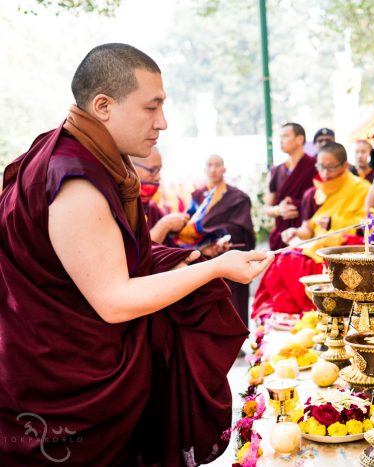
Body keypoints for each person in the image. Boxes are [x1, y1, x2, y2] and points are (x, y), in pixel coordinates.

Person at [0, 43, 273, 466]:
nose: (162, 122)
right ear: (103, 105)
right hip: (63, 386)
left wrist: (175, 258)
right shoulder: (75, 178)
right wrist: (216, 268)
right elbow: (113, 301)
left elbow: (105, 258)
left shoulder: (80, 155)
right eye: (152, 107)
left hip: (57, 358)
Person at [252, 142, 369, 320]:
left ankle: (311, 312)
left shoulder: (362, 189)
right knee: (282, 260)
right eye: (320, 167)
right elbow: (307, 229)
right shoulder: (313, 193)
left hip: (343, 248)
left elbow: (367, 225)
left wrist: (334, 221)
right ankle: (287, 315)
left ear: (345, 165)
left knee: (291, 263)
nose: (324, 173)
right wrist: (295, 232)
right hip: (315, 245)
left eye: (330, 167)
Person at [175, 154, 256, 321]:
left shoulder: (237, 197)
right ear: (204, 169)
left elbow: (243, 228)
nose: (213, 169)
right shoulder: (197, 195)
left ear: (224, 169)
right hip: (203, 258)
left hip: (228, 255)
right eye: (209, 165)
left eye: (217, 165)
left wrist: (219, 237)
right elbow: (190, 222)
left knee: (233, 308)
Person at [264, 122, 317, 251]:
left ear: (300, 139)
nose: (281, 141)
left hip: (307, 233)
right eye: (280, 137)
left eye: (285, 136)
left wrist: (300, 205)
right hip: (281, 234)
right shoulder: (276, 171)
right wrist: (279, 210)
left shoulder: (315, 166)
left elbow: (323, 201)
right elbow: (266, 208)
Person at [131, 146, 189, 243]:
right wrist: (165, 224)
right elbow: (134, 254)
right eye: (153, 170)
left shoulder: (152, 208)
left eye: (159, 170)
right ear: (129, 166)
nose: (158, 177)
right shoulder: (116, 207)